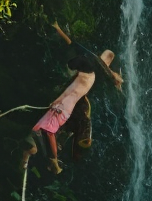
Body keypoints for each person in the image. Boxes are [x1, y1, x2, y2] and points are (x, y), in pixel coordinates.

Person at [30, 24, 122, 174]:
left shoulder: (95, 68)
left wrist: (114, 79)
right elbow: (72, 44)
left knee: (74, 122)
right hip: (74, 97)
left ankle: (60, 153)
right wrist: (59, 29)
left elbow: (99, 70)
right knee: (56, 126)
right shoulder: (93, 66)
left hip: (76, 100)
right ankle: (53, 150)